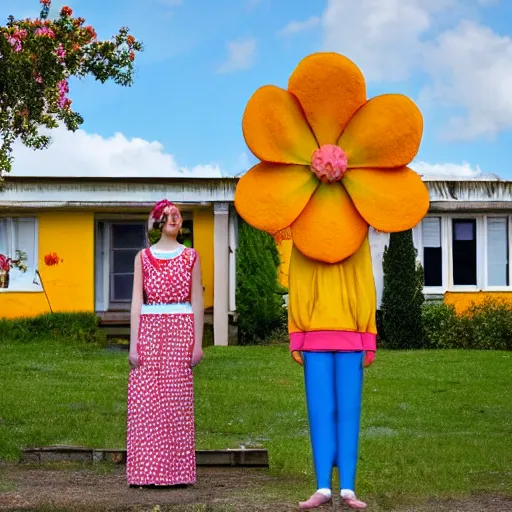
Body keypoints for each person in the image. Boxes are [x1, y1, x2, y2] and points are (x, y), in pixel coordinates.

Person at [126, 199, 204, 487]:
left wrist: (198, 343)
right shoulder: (143, 257)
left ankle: (177, 473)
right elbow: (137, 301)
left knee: (176, 400)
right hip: (149, 330)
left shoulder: (191, 256)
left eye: (178, 215)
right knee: (145, 401)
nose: (174, 219)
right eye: (168, 215)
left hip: (180, 330)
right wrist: (133, 344)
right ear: (157, 222)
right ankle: (145, 473)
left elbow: (197, 299)